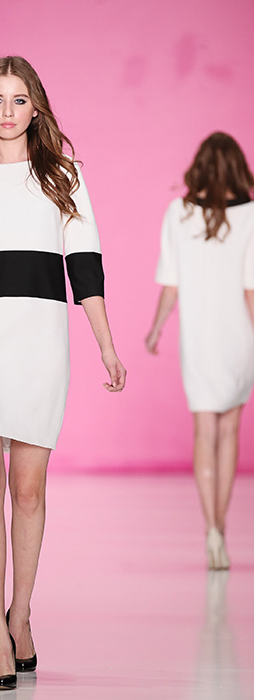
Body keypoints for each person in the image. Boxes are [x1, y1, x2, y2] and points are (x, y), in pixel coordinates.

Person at [0, 55, 126, 690]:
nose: (8, 111)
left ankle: (21, 614)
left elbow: (85, 264)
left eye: (20, 100)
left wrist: (106, 347)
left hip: (41, 341)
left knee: (28, 490)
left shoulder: (63, 175)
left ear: (36, 108)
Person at [145, 132, 254, 571]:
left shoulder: (179, 212)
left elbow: (171, 283)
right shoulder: (251, 216)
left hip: (198, 337)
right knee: (230, 432)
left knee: (203, 431)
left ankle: (210, 529)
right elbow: (251, 290)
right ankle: (220, 530)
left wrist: (156, 329)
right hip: (239, 336)